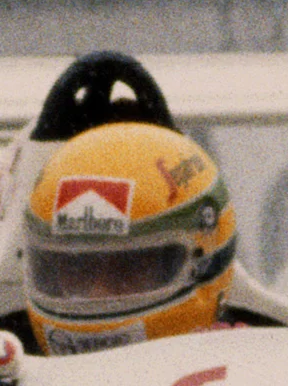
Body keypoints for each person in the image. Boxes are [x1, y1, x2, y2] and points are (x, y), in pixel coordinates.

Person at [18, 118, 241, 354]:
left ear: (203, 261)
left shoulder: (259, 368)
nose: (98, 293)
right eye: (78, 269)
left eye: (129, 269)